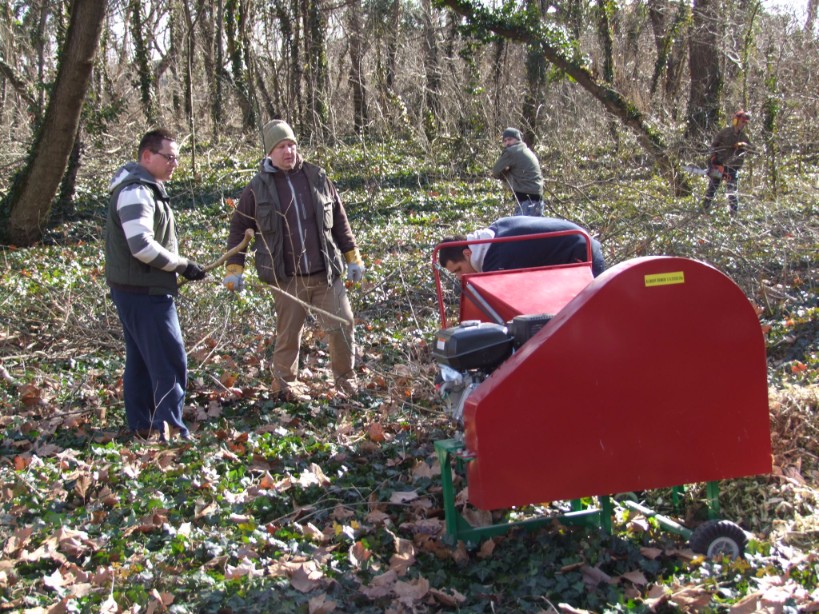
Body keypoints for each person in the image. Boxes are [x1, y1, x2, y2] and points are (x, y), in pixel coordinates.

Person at [222, 120, 365, 398]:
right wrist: (234, 268)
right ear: (269, 152)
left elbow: (339, 219)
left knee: (343, 324)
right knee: (288, 335)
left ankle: (345, 382)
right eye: (281, 147)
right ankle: (285, 386)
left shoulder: (317, 177)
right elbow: (239, 228)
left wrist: (353, 256)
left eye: (291, 145)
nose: (288, 151)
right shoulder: (256, 188)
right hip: (286, 278)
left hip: (325, 274)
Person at [104, 129, 207, 441]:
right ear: (147, 156)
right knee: (169, 360)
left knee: (140, 360)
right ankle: (170, 427)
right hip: (144, 293)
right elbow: (141, 246)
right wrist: (182, 265)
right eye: (169, 157)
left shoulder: (146, 188)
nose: (175, 163)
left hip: (136, 288)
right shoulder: (136, 192)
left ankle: (142, 424)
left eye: (176, 157)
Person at [438, 216, 605, 279]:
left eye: (458, 270)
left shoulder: (497, 261)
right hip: (580, 243)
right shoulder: (495, 232)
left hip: (582, 255)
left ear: (467, 253)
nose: (459, 277)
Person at [701, 110, 752, 215]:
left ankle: (733, 213)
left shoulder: (744, 137)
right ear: (736, 121)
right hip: (720, 165)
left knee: (732, 192)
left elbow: (752, 149)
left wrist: (744, 145)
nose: (743, 125)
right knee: (712, 188)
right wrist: (712, 161)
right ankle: (704, 209)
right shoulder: (724, 132)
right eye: (742, 122)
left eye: (745, 123)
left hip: (733, 167)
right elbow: (713, 146)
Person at [491, 127, 544, 217]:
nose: (507, 143)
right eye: (505, 141)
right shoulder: (526, 150)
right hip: (538, 200)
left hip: (527, 201)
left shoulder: (512, 151)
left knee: (522, 226)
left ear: (518, 139)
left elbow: (495, 171)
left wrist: (505, 173)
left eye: (510, 139)